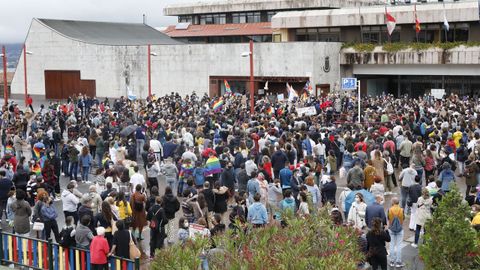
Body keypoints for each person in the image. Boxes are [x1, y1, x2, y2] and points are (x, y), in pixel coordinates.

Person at [387, 197, 405, 268]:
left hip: (391, 229)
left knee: (391, 245)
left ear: (392, 202)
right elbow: (403, 218)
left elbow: (388, 218)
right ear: (398, 202)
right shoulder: (401, 210)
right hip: (400, 229)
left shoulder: (390, 209)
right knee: (399, 246)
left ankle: (392, 261)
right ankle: (398, 262)